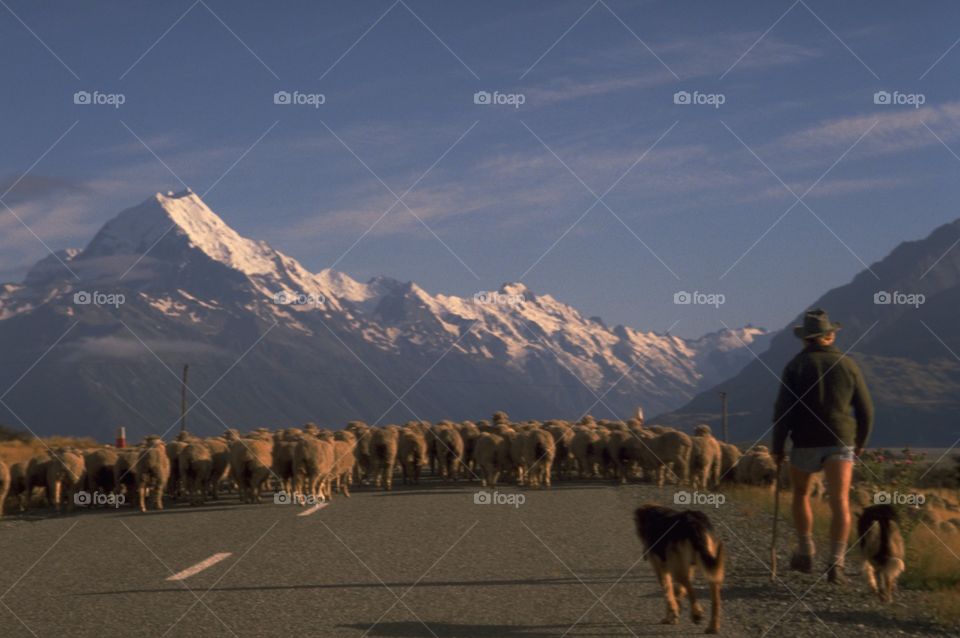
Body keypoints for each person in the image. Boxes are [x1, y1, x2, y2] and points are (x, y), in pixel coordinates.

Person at [772, 308, 873, 583]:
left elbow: (783, 410)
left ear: (805, 339)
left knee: (801, 495)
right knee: (839, 500)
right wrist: (860, 443)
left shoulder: (795, 366)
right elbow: (866, 411)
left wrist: (777, 446)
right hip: (840, 440)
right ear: (829, 336)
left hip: (804, 441)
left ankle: (806, 552)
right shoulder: (848, 365)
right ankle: (835, 565)